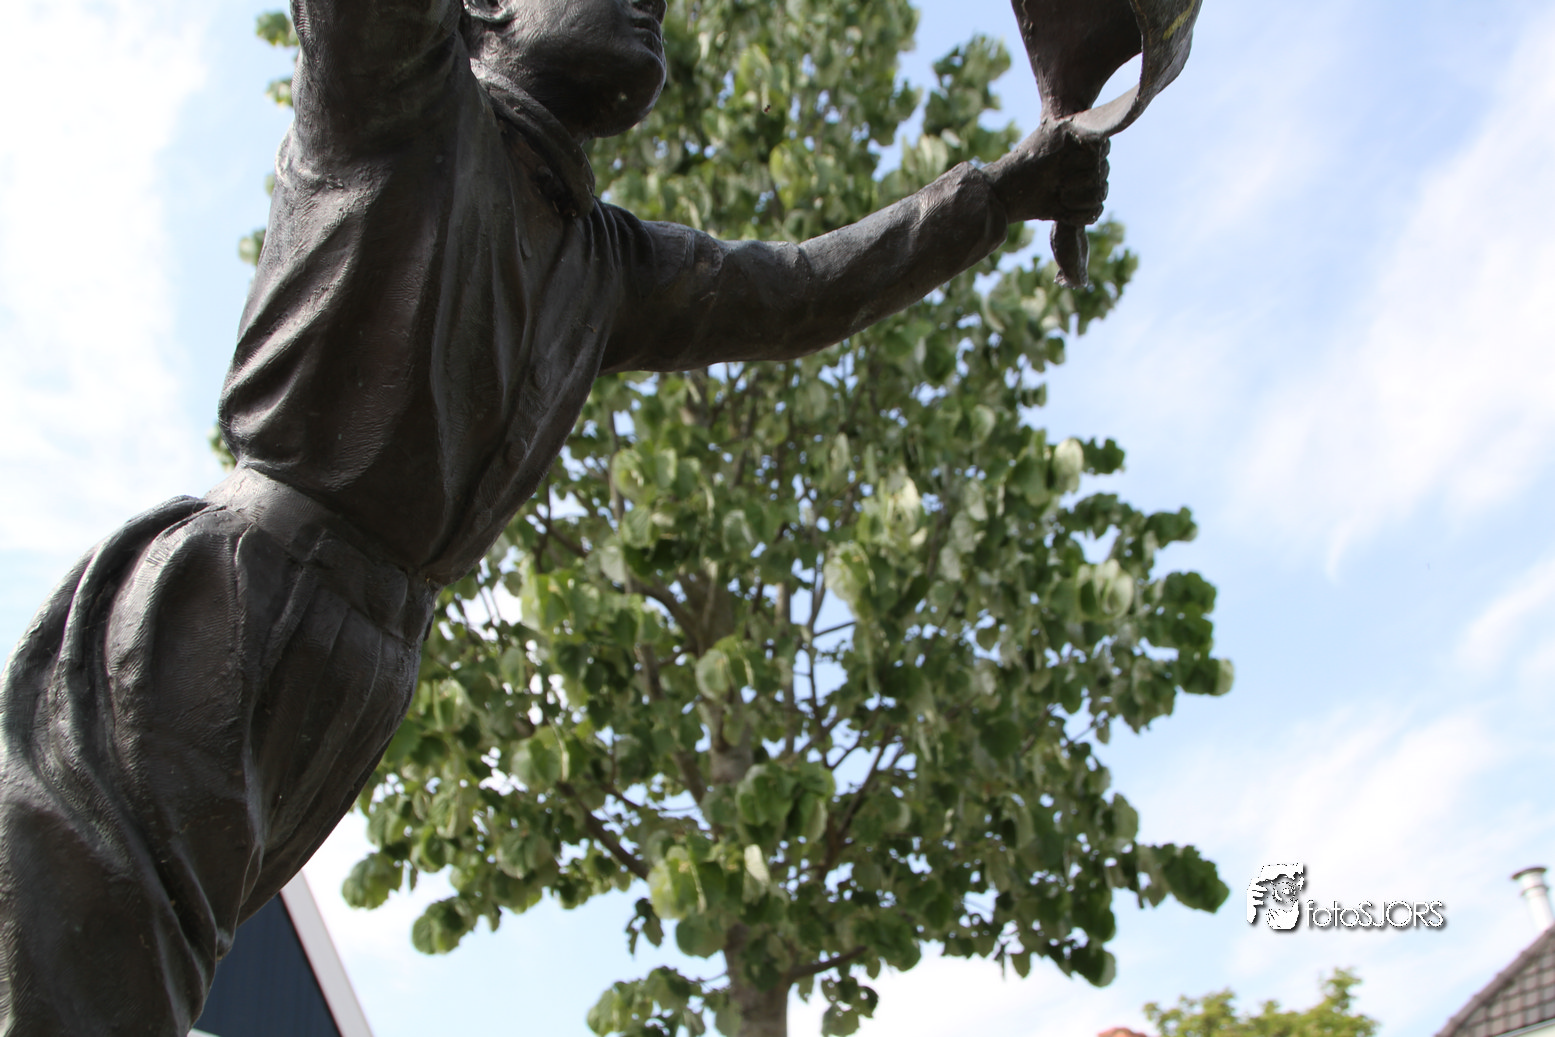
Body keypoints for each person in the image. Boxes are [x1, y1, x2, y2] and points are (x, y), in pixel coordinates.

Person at [0, 0, 1108, 1032]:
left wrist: (998, 194)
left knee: (139, 979)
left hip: (361, 661)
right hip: (231, 600)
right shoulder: (396, 89)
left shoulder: (607, 261)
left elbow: (799, 291)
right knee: (86, 977)